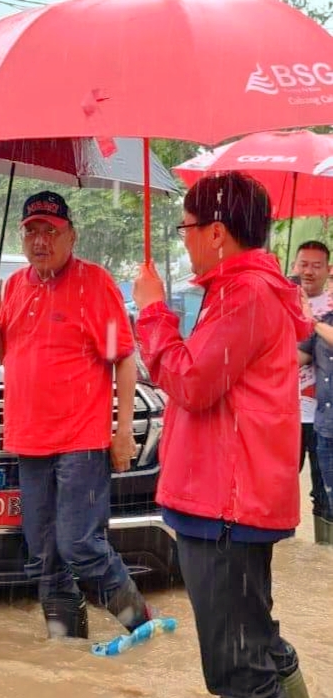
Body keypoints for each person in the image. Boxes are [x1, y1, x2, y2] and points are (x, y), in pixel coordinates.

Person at [133, 173, 311, 698]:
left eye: (187, 226)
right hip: (229, 497)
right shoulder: (241, 290)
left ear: (216, 233)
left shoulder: (243, 293)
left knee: (238, 669)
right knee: (258, 641)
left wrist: (151, 310)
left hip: (226, 504)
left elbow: (191, 381)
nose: (183, 238)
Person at [0, 191, 150, 639]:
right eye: (32, 231)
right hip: (28, 441)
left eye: (50, 231)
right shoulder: (12, 286)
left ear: (71, 235)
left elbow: (124, 357)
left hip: (81, 441)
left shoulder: (96, 283)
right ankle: (67, 644)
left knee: (81, 547)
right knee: (43, 554)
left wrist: (123, 432)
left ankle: (141, 626)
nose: (40, 240)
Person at [292, 241, 333, 543]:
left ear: (328, 271)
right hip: (284, 413)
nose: (308, 271)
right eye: (303, 264)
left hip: (321, 416)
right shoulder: (281, 300)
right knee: (277, 487)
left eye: (316, 265)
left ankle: (323, 550)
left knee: (323, 491)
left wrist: (310, 318)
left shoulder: (330, 308)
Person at [298, 300, 333, 545]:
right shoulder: (325, 321)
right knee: (328, 500)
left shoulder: (319, 323)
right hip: (325, 429)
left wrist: (312, 321)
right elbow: (294, 358)